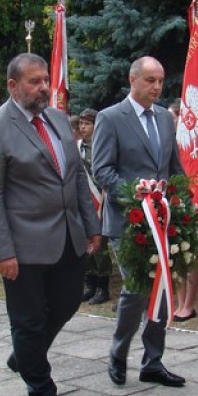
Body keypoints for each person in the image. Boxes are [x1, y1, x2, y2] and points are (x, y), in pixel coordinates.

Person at [0, 53, 101, 396]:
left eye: (45, 79)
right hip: (24, 246)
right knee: (27, 321)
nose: (43, 86)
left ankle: (24, 355)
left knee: (68, 301)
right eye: (34, 81)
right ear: (13, 86)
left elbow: (75, 176)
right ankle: (43, 392)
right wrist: (2, 252)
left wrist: (91, 225)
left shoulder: (59, 119)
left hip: (68, 237)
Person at [93, 55, 186, 388]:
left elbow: (173, 167)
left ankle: (153, 362)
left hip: (162, 222)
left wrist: (181, 200)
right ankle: (118, 353)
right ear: (132, 80)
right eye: (150, 80)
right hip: (127, 220)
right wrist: (138, 198)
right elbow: (102, 170)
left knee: (161, 288)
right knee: (135, 290)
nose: (157, 87)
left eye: (161, 81)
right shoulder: (110, 118)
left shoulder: (164, 118)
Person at [76, 108, 112, 305]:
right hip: (84, 203)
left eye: (87, 124)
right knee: (85, 244)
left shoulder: (101, 147)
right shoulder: (77, 146)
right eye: (80, 124)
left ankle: (102, 286)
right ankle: (89, 283)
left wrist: (101, 205)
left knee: (100, 246)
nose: (82, 127)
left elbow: (104, 179)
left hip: (100, 202)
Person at [168, 99, 198, 322]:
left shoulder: (191, 143)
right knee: (175, 255)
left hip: (190, 201)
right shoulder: (167, 142)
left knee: (189, 255)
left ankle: (189, 304)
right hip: (171, 201)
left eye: (172, 117)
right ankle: (179, 302)